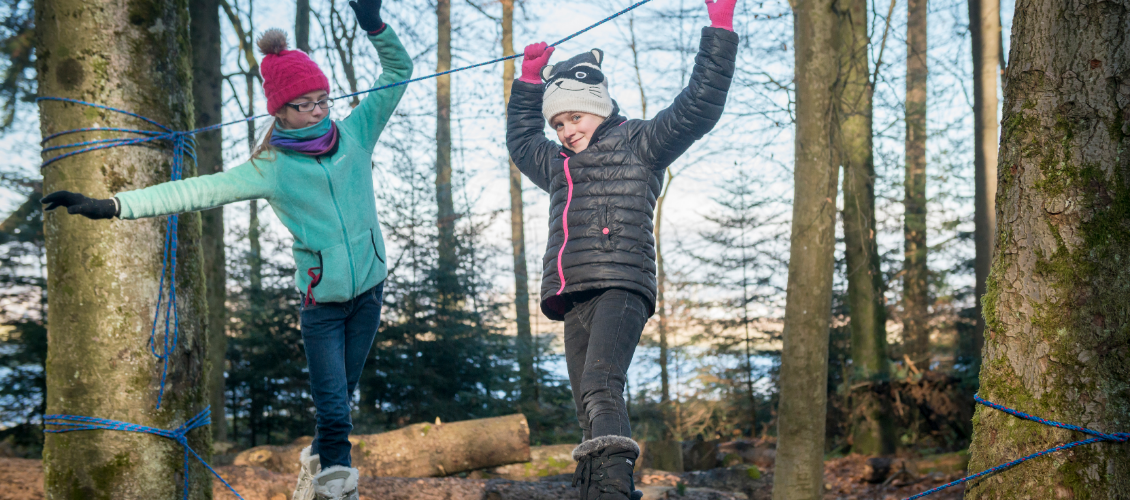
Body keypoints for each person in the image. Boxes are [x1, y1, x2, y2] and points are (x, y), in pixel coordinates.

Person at [39, 0, 409, 498]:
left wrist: (374, 25)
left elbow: (398, 71)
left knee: (340, 398)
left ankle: (314, 470)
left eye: (325, 98)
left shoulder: (356, 134)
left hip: (370, 290)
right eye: (308, 103)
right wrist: (110, 205)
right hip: (322, 306)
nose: (321, 109)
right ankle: (335, 489)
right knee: (335, 408)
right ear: (280, 111)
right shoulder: (271, 167)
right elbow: (193, 191)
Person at [506, 0, 739, 498]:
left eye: (574, 118)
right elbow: (521, 141)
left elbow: (699, 106)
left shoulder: (641, 143)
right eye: (559, 125)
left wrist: (718, 29)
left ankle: (613, 490)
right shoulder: (557, 164)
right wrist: (527, 83)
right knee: (585, 402)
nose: (567, 131)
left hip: (622, 284)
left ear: (598, 106)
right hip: (574, 295)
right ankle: (592, 490)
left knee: (601, 384)